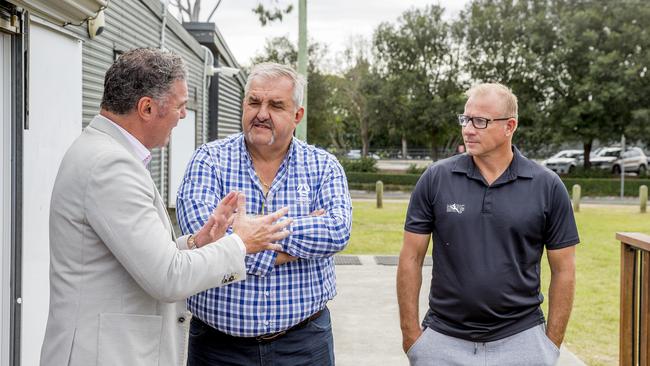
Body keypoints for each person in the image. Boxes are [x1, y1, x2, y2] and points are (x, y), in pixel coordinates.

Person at [40, 48, 291, 366]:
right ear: (146, 107)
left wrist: (197, 243)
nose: (184, 115)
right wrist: (240, 244)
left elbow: (138, 256)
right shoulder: (110, 165)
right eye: (180, 106)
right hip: (106, 354)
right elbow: (168, 278)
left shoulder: (104, 153)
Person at [176, 62, 353, 365]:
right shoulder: (209, 160)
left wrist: (245, 237)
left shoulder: (323, 166)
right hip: (218, 348)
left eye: (276, 105)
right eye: (254, 102)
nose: (261, 113)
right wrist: (303, 232)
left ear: (297, 115)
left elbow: (337, 231)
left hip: (304, 344)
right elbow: (205, 235)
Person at [397, 83, 579, 366]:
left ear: (510, 126)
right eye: (465, 119)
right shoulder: (436, 178)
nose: (469, 129)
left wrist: (549, 345)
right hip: (443, 340)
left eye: (480, 121)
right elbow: (410, 257)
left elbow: (564, 269)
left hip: (522, 339)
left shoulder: (547, 186)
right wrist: (412, 336)